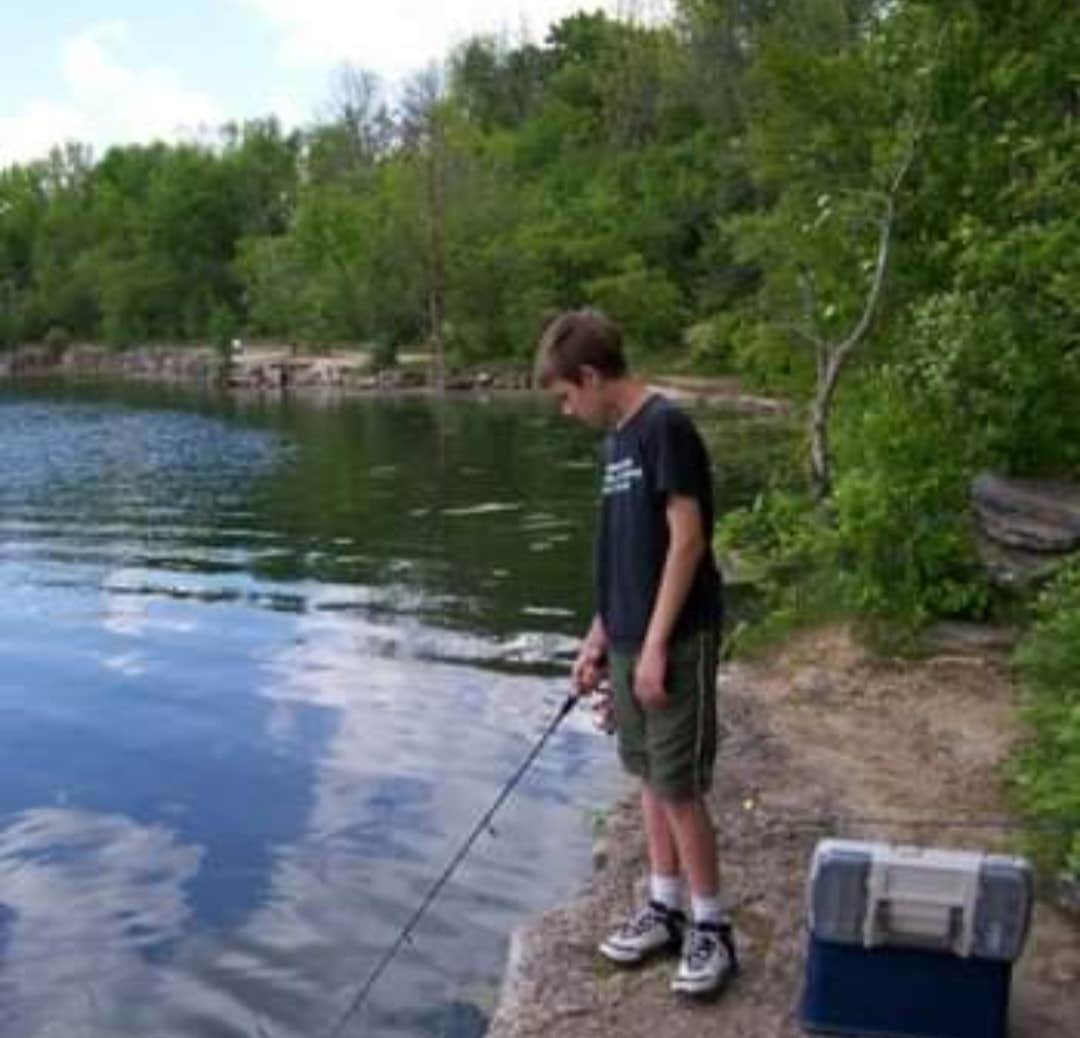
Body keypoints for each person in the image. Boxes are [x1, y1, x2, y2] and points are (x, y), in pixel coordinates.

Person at [535, 309, 737, 997]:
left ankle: (713, 928)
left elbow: (687, 541)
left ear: (591, 377)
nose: (568, 410)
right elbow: (628, 557)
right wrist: (598, 638)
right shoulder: (615, 443)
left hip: (675, 639)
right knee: (649, 777)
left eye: (567, 396)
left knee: (679, 785)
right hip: (625, 638)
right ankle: (664, 907)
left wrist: (653, 647)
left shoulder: (664, 429)